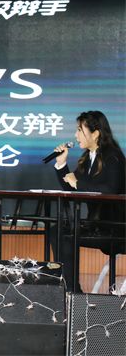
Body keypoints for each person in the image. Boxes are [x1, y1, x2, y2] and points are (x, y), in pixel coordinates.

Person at [52, 110, 126, 292]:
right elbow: (72, 188)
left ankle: (72, 292)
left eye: (80, 130)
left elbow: (110, 190)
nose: (76, 135)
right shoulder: (88, 158)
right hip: (97, 225)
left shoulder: (113, 156)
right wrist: (61, 164)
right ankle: (70, 290)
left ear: (95, 133)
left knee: (66, 235)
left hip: (115, 228)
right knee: (57, 230)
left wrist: (78, 182)